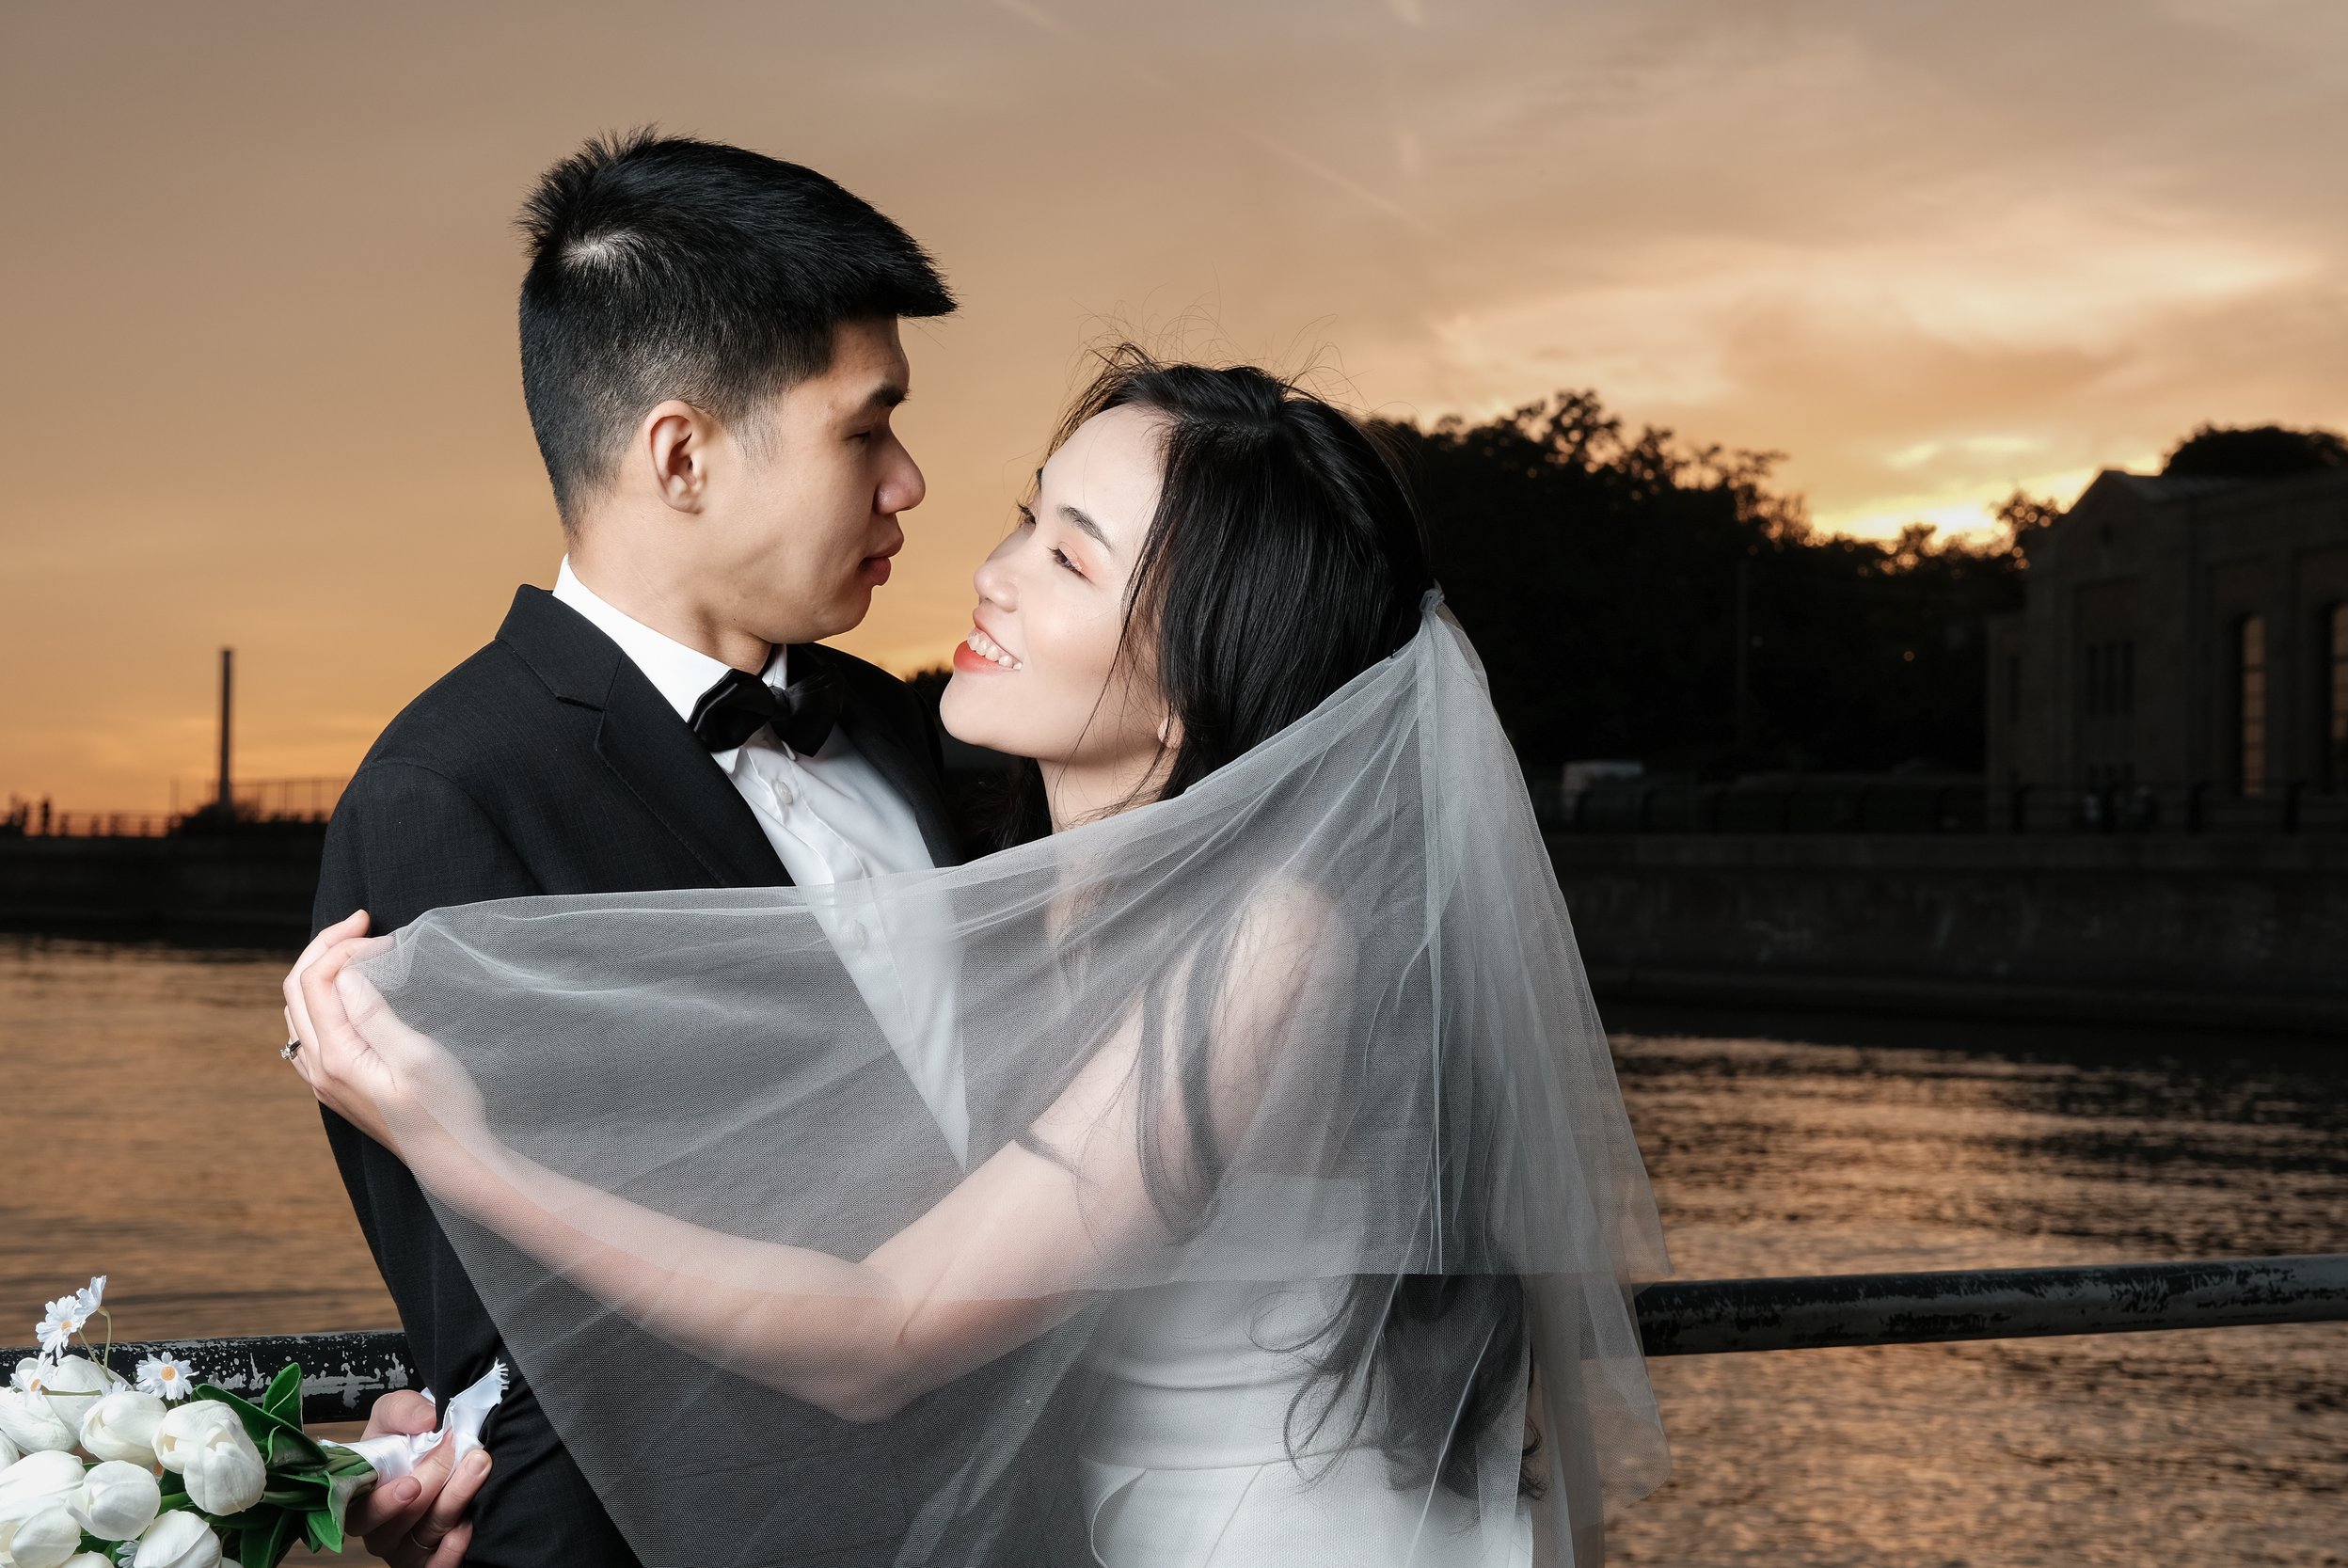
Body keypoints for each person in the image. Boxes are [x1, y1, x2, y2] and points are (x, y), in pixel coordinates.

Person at [286, 352, 1674, 1565]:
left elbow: (889, 1328)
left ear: (1209, 660)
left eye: (1070, 556)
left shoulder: (1274, 938)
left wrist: (458, 1145)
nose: (991, 571)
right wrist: (481, 1412)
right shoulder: (1007, 862)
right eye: (1027, 517)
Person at [302, 130, 1094, 1566]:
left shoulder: (909, 724)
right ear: (682, 454)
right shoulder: (446, 797)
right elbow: (526, 1365)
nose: (911, 481)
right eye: (867, 427)